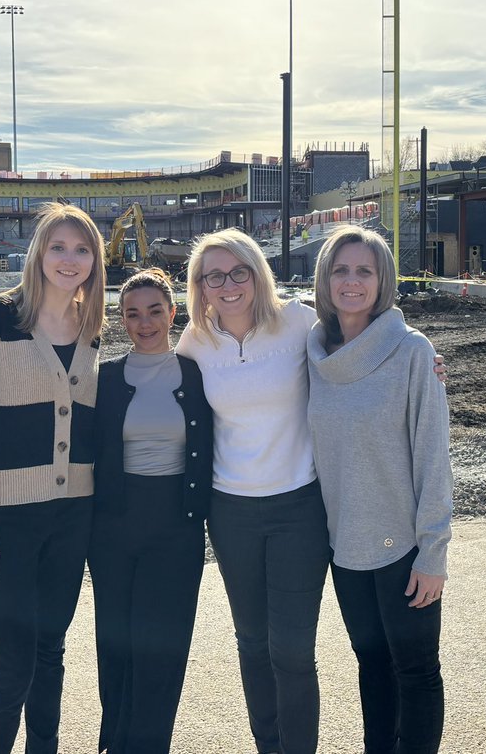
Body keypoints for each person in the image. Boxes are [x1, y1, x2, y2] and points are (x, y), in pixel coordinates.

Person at [176, 229, 445, 754]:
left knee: (297, 651)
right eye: (214, 276)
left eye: (239, 272)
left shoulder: (299, 324)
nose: (228, 284)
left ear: (258, 273)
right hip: (238, 514)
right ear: (200, 286)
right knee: (258, 645)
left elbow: (380, 367)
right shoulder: (198, 343)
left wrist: (430, 367)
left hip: (303, 509)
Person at [0, 202, 106, 754]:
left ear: (95, 260)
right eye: (58, 247)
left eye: (82, 249)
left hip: (71, 518)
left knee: (50, 653)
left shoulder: (91, 329)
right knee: (12, 663)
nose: (69, 259)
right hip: (6, 522)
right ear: (39, 252)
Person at [306, 225, 452, 754]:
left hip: (404, 548)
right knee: (370, 664)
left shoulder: (413, 353)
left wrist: (433, 551)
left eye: (364, 271)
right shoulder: (314, 353)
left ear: (382, 279)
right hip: (345, 548)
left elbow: (434, 455)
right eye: (340, 270)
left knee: (414, 671)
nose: (351, 281)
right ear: (324, 279)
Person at [89, 268, 214, 754]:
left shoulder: (199, 374)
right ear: (121, 319)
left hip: (176, 524)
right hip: (113, 525)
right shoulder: (104, 379)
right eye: (133, 314)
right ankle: (114, 740)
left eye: (155, 311)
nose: (144, 323)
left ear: (173, 312)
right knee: (116, 641)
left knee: (163, 645)